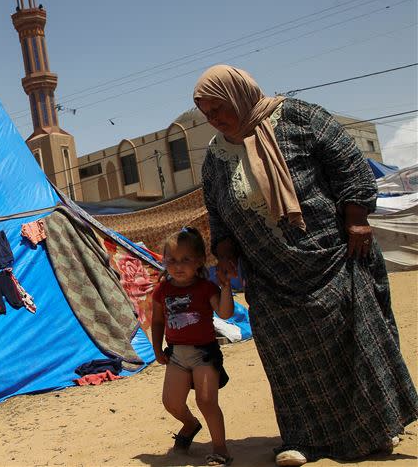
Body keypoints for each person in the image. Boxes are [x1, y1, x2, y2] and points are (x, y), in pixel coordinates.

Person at [193, 64, 418, 466]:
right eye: (207, 113)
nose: (214, 119)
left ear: (240, 94)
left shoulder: (298, 117)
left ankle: (373, 431)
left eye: (219, 108)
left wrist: (356, 218)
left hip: (331, 258)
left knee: (351, 346)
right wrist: (225, 250)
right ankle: (304, 440)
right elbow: (217, 211)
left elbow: (349, 164)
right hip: (270, 278)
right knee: (289, 362)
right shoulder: (215, 156)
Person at [151, 227, 235, 466]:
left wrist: (226, 287)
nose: (178, 266)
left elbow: (226, 313)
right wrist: (157, 349)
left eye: (186, 260)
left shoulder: (206, 288)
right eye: (172, 260)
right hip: (176, 354)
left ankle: (220, 449)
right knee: (172, 403)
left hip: (203, 354)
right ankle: (190, 424)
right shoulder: (162, 290)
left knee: (206, 401)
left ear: (199, 261)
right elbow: (157, 321)